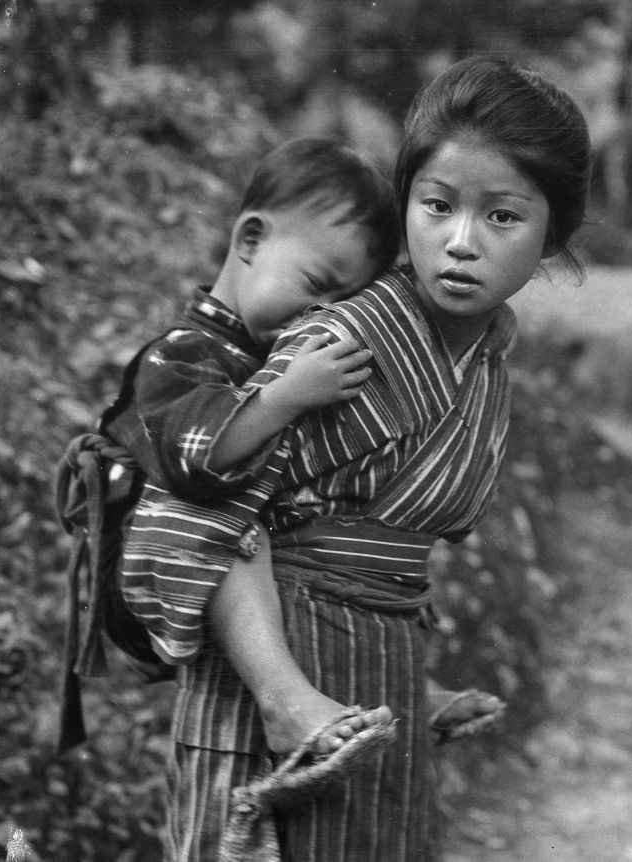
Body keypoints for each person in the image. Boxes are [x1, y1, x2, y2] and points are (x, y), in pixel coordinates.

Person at [163, 55, 594, 861]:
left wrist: (410, 689)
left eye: (502, 217)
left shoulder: (489, 356)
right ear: (406, 210)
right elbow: (197, 505)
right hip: (272, 678)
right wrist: (282, 693)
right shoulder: (342, 343)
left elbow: (388, 544)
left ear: (552, 236)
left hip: (379, 678)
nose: (460, 242)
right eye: (437, 206)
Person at [98, 137, 405, 758]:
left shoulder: (261, 354)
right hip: (149, 562)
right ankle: (282, 702)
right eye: (317, 285)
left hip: (212, 556)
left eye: (342, 303)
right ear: (250, 241)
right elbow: (195, 462)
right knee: (240, 522)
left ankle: (405, 687)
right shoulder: (180, 352)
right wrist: (285, 398)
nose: (323, 314)